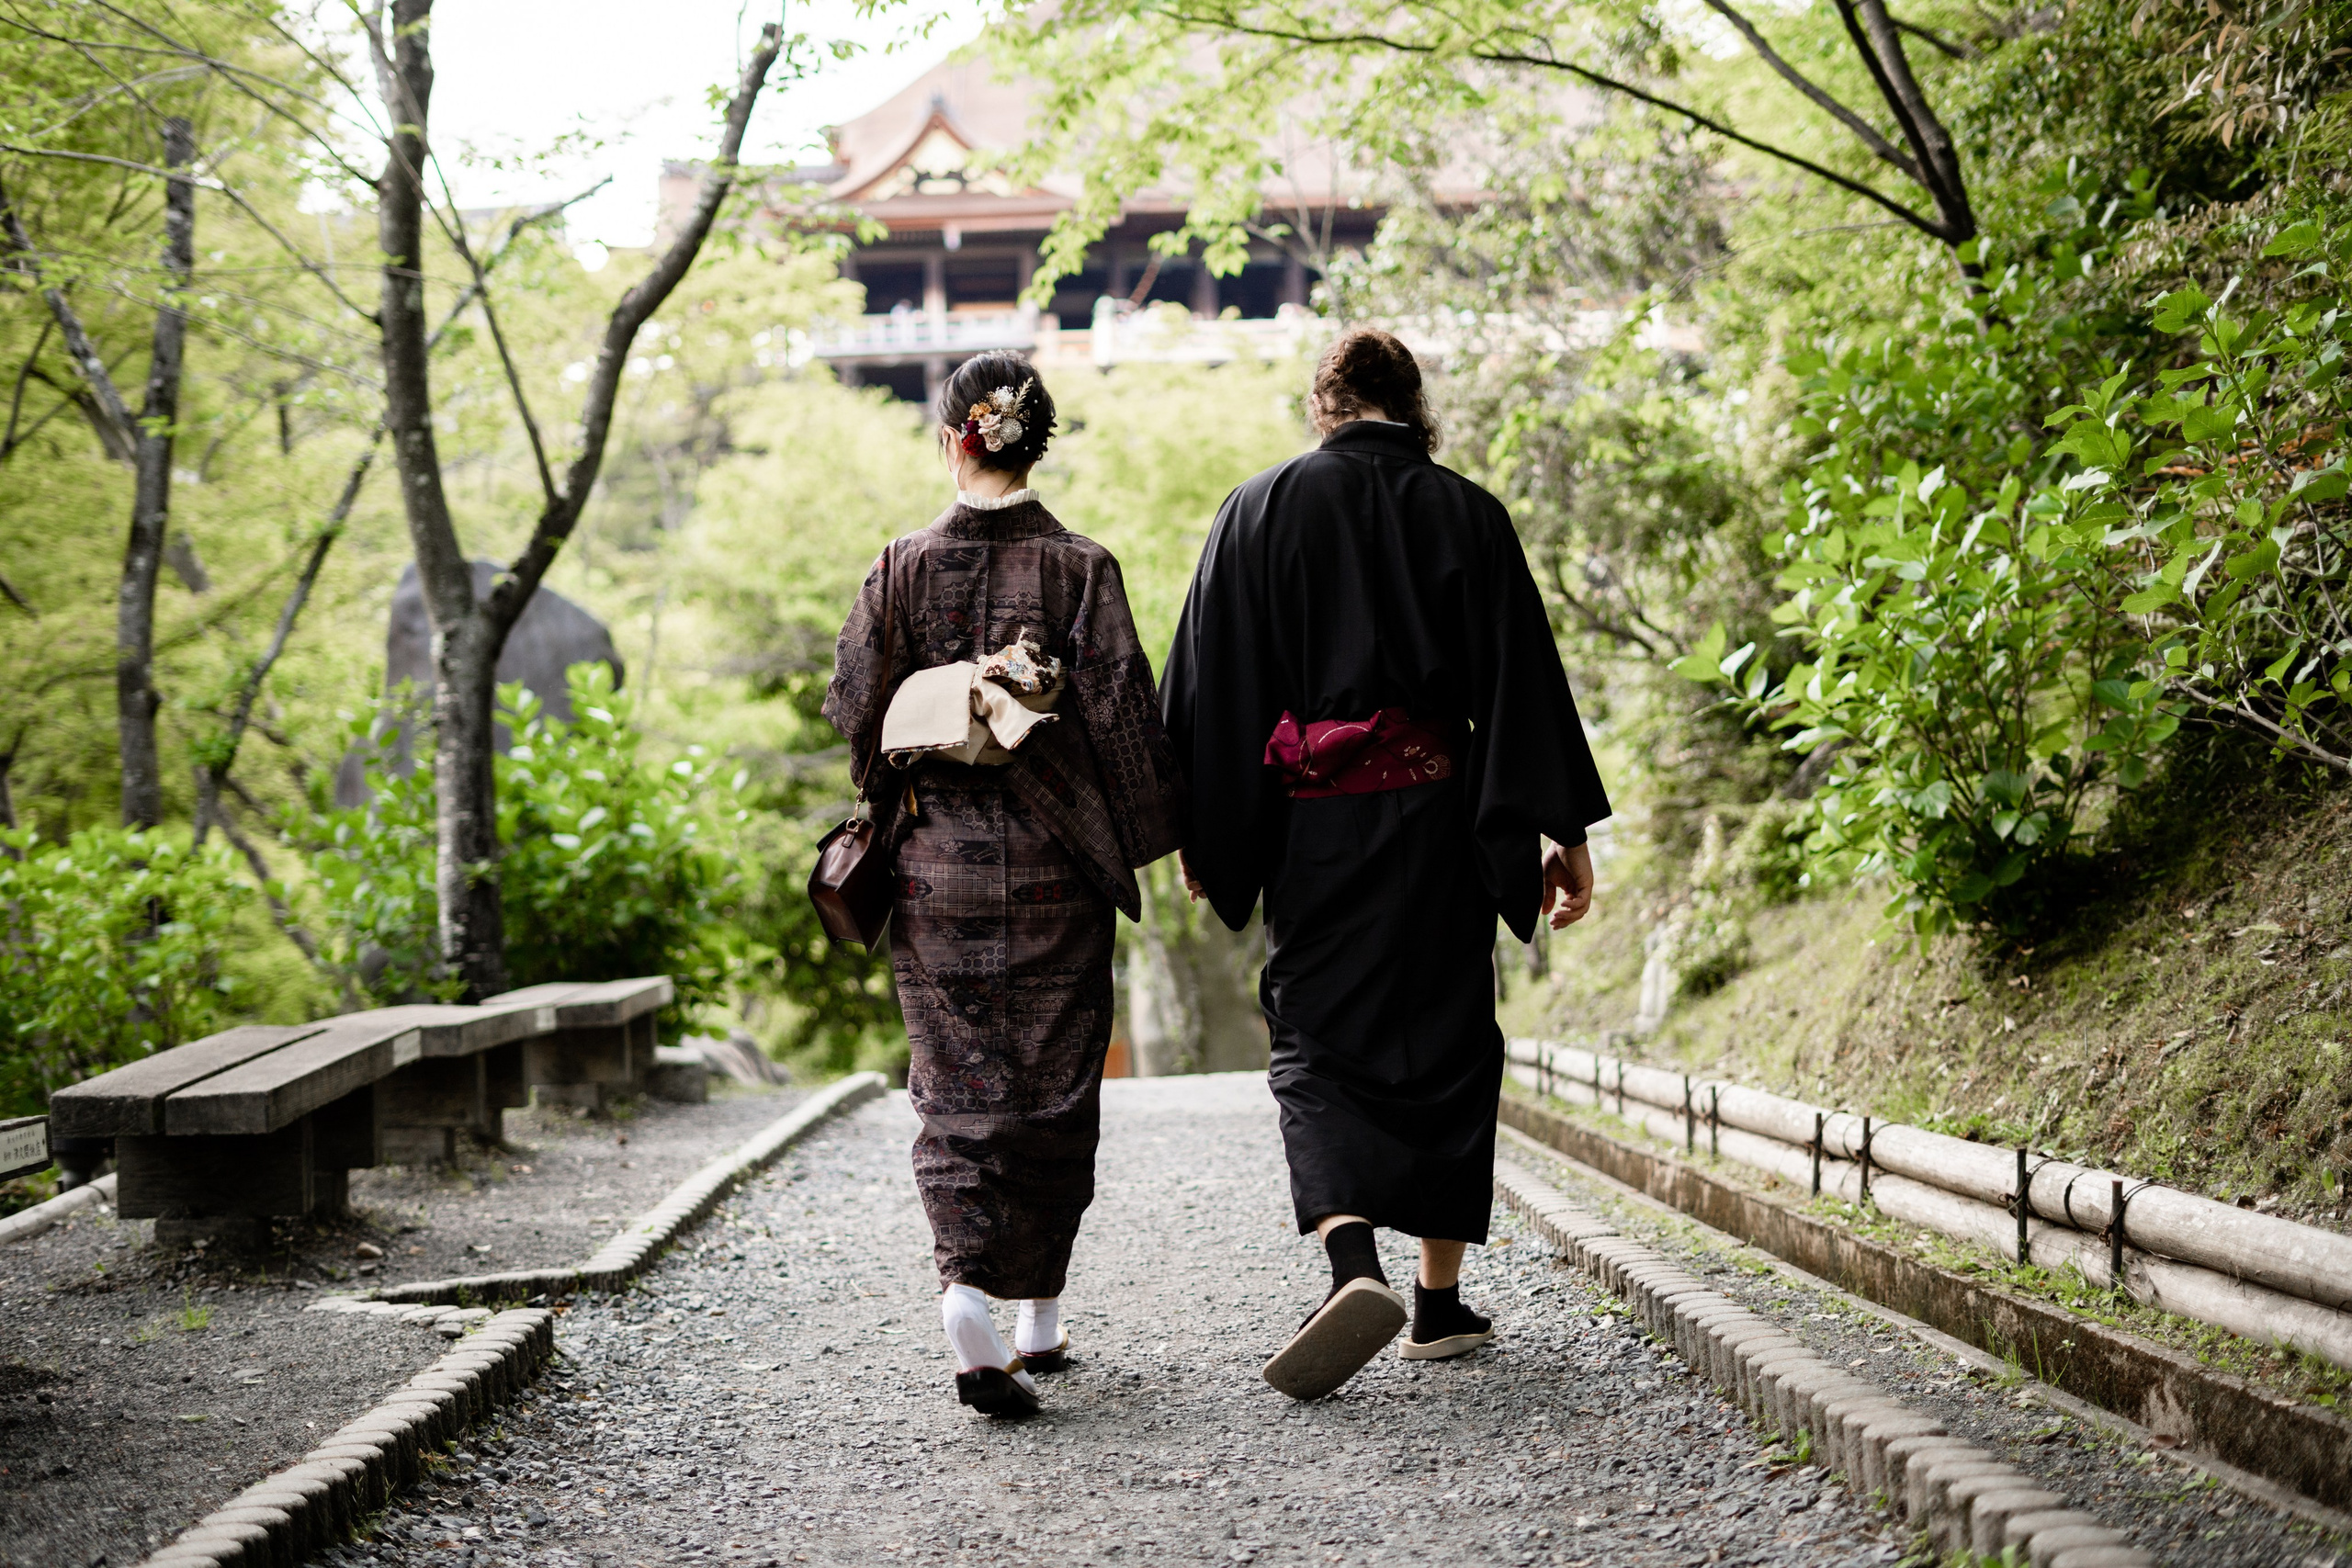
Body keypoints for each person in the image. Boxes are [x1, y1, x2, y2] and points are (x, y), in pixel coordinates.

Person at [1160, 326, 1610, 1400]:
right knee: (1449, 1044)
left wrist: (1207, 837)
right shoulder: (1468, 512)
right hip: (1447, 825)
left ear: (1323, 405)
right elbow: (1521, 686)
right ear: (1412, 408)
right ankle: (1438, 1307)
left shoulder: (1256, 510)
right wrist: (1563, 835)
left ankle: (1349, 1263)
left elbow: (1206, 691)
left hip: (1316, 833)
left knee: (1315, 1042)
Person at [823, 353, 1187, 1416]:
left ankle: (970, 1293)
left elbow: (854, 705)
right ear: (1035, 442)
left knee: (953, 1084)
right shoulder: (1082, 568)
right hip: (1056, 874)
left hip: (937, 872)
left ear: (954, 440)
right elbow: (1124, 724)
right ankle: (1037, 1312)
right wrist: (1169, 842)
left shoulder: (898, 566)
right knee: (1056, 1085)